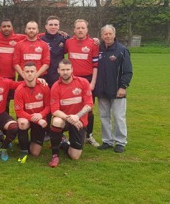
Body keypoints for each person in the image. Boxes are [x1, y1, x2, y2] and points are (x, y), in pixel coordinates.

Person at [95, 24, 133, 153]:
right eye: (105, 34)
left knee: (118, 116)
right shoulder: (98, 49)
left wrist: (123, 86)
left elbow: (128, 71)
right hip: (101, 90)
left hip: (117, 90)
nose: (108, 36)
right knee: (104, 116)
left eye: (110, 33)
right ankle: (107, 141)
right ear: (102, 36)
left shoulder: (122, 50)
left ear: (114, 35)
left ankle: (120, 142)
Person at [48, 60, 93, 167]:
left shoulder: (83, 82)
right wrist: (70, 118)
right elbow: (54, 110)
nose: (65, 72)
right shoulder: (55, 86)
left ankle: (62, 143)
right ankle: (55, 155)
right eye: (63, 70)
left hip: (79, 120)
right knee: (57, 121)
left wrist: (77, 116)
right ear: (58, 71)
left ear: (72, 70)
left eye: (68, 69)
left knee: (74, 156)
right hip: (65, 119)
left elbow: (89, 104)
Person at [65, 19, 100, 147]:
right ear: (74, 30)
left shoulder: (93, 44)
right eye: (78, 28)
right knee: (71, 107)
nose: (80, 30)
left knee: (88, 109)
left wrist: (93, 83)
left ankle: (89, 135)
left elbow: (96, 65)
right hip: (71, 80)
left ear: (87, 30)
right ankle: (70, 136)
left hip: (88, 80)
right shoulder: (68, 42)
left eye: (83, 28)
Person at [14, 62, 51, 163]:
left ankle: (28, 142)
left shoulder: (44, 87)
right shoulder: (19, 90)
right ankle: (24, 150)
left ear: (36, 72)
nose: (29, 74)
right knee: (22, 123)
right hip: (28, 118)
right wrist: (36, 119)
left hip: (40, 117)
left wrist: (41, 115)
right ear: (23, 73)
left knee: (35, 153)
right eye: (27, 72)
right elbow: (19, 111)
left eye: (32, 71)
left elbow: (49, 106)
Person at [40, 16, 69, 87]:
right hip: (44, 75)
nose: (53, 27)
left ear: (59, 26)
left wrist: (94, 40)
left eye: (56, 25)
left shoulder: (64, 38)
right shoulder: (40, 39)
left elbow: (78, 39)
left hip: (59, 75)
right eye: (51, 25)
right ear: (46, 26)